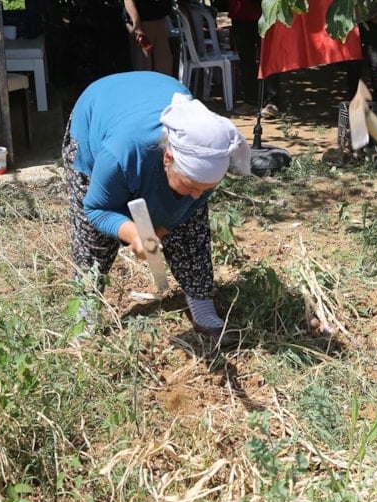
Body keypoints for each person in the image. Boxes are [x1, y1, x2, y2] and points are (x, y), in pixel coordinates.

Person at [63, 71, 251, 339]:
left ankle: (202, 306)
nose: (198, 195)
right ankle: (86, 311)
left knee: (191, 226)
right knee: (93, 240)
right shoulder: (120, 153)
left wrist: (162, 228)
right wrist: (134, 234)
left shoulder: (208, 144)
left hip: (152, 95)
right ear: (168, 158)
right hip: (99, 110)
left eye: (207, 188)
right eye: (191, 186)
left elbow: (190, 203)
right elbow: (96, 209)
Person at [228, 0, 282, 117]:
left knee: (269, 58)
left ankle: (271, 102)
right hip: (240, 12)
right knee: (246, 59)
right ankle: (250, 101)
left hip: (266, 12)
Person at [123, 0, 174, 75]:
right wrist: (136, 23)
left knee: (164, 65)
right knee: (144, 67)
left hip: (159, 18)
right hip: (142, 22)